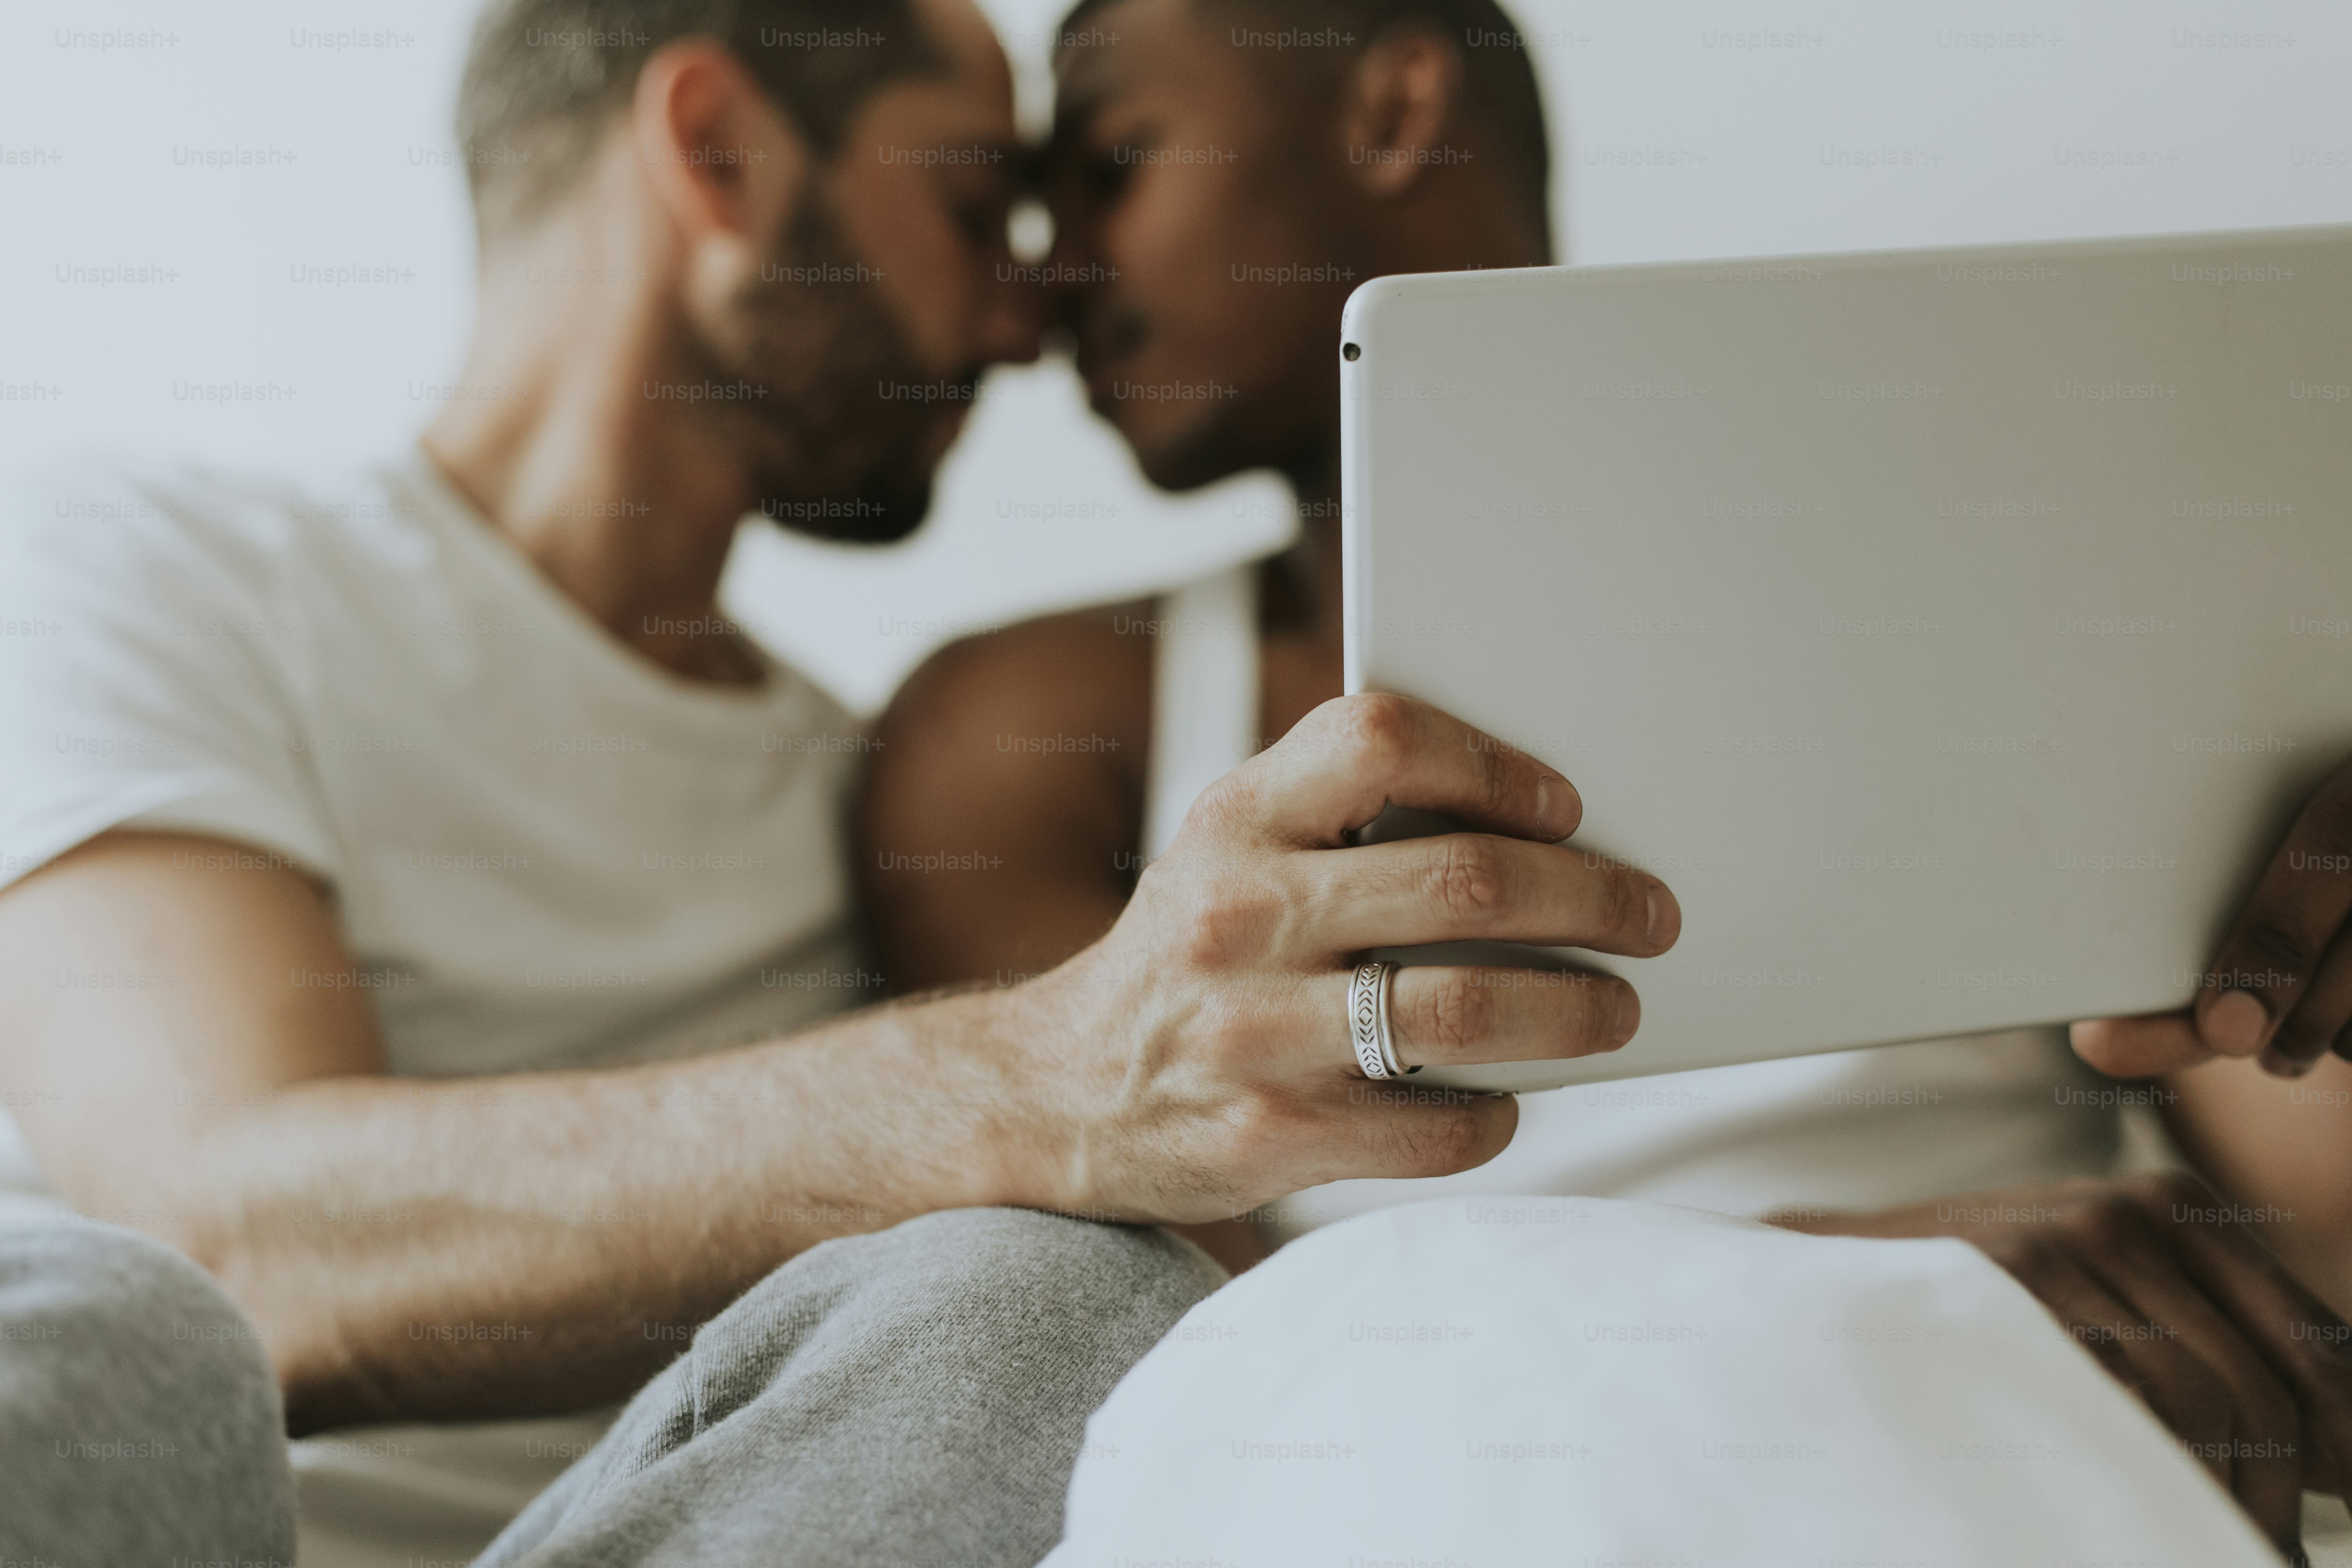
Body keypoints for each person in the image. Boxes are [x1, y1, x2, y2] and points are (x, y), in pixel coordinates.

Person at [0, 0, 1687, 1560]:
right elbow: (226, 1251)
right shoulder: (158, 568)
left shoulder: (869, 765)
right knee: (109, 1333)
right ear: (722, 153)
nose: (1032, 313)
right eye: (971, 212)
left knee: (1027, 1307)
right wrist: (1049, 1070)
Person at [860, 0, 2352, 1555]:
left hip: (2039, 1436)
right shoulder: (1027, 738)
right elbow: (1164, 1367)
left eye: (1112, 163)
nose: (1049, 276)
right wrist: (1844, 1285)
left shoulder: (1981, 568)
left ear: (1391, 109)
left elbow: (2317, 1221)